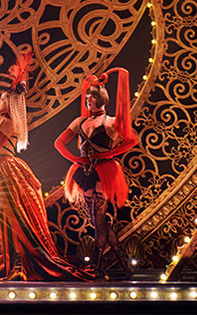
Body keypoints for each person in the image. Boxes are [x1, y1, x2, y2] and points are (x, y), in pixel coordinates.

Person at [0, 51, 93, 281]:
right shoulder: (3, 121)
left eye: (1, 100)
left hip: (6, 171)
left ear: (10, 104)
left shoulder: (8, 123)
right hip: (1, 171)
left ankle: (6, 266)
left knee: (5, 219)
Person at [54, 68, 137, 279]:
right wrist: (76, 159)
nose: (88, 101)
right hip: (85, 171)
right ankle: (122, 263)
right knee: (95, 218)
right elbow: (59, 143)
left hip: (104, 171)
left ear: (100, 99)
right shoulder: (79, 122)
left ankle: (97, 265)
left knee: (98, 217)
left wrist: (109, 154)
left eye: (91, 98)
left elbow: (131, 140)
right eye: (87, 98)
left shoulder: (112, 122)